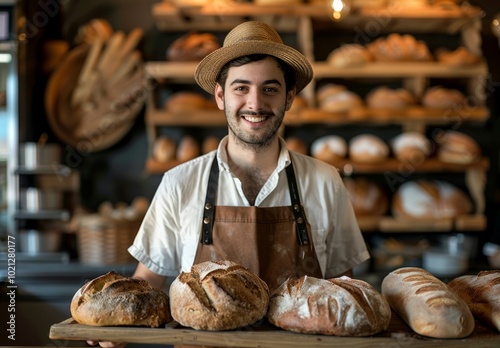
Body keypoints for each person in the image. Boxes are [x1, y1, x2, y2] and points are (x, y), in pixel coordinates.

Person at [89, 20, 370, 347]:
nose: (255, 104)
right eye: (241, 88)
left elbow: (347, 290)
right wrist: (114, 327)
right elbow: (147, 282)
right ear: (220, 96)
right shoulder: (180, 183)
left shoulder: (325, 181)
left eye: (270, 88)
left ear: (289, 97)